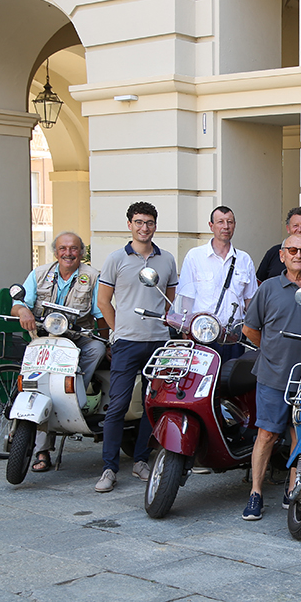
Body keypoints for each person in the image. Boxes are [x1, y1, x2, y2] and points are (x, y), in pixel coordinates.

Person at [240, 232, 301, 522]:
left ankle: (293, 486)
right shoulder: (268, 288)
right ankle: (255, 493)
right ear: (282, 255)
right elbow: (250, 329)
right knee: (267, 434)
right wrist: (271, 352)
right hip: (274, 375)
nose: (298, 255)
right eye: (292, 250)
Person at [94, 202, 178, 493]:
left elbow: (170, 301)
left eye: (150, 222)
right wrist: (118, 329)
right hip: (127, 343)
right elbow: (103, 300)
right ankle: (109, 468)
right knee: (117, 405)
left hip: (158, 342)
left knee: (150, 405)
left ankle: (141, 460)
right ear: (129, 224)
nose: (145, 228)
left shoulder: (166, 259)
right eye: (139, 222)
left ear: (156, 225)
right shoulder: (116, 259)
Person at [11, 230, 107, 474]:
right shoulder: (40, 273)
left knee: (96, 348)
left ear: (81, 253)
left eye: (74, 249)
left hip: (78, 338)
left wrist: (108, 342)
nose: (68, 253)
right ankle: (41, 450)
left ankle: (74, 390)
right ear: (56, 252)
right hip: (45, 337)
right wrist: (23, 311)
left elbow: (100, 313)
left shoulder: (92, 276)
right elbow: (19, 302)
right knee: (39, 386)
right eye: (63, 249)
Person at [173, 206, 257, 361]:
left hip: (233, 338)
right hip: (202, 334)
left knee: (231, 382)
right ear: (211, 226)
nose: (225, 226)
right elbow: (187, 298)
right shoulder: (195, 256)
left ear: (234, 225)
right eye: (220, 222)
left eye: (229, 222)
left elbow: (249, 301)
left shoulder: (244, 259)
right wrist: (186, 333)